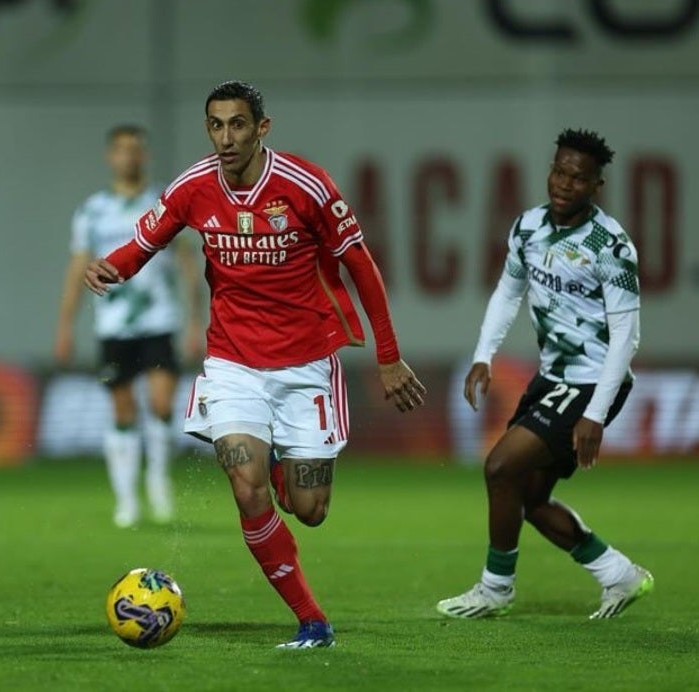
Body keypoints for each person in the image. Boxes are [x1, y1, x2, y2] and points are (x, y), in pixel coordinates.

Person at [84, 81, 426, 648]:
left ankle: (278, 470)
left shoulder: (305, 185)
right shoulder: (194, 186)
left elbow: (361, 265)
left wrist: (388, 358)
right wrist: (114, 268)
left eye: (237, 124)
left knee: (309, 509)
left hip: (306, 364)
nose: (225, 137)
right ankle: (312, 620)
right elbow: (148, 238)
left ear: (261, 128)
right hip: (233, 363)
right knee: (245, 487)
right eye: (215, 125)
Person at [437, 128, 653, 620]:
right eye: (559, 171)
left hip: (593, 380)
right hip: (552, 378)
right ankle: (619, 574)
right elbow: (508, 292)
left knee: (499, 467)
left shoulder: (611, 246)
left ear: (596, 186)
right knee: (530, 498)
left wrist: (595, 413)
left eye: (578, 178)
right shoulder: (528, 227)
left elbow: (626, 337)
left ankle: (495, 589)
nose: (563, 183)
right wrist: (483, 354)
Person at [55, 124, 203, 528]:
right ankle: (126, 500)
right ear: (110, 157)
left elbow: (189, 263)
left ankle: (157, 481)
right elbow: (77, 269)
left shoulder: (163, 201)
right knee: (122, 410)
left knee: (159, 404)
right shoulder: (92, 211)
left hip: (159, 319)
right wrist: (66, 324)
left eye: (135, 149)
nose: (128, 157)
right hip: (113, 324)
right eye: (121, 150)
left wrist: (194, 319)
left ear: (145, 155)